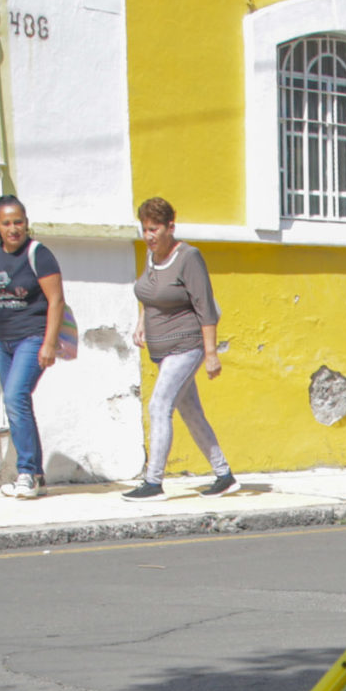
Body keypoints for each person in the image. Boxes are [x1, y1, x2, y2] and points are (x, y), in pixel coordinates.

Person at [124, 196, 236, 501]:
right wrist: (141, 323)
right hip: (162, 349)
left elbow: (205, 307)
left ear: (170, 227)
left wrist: (211, 354)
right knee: (191, 412)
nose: (149, 236)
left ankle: (153, 482)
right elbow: (152, 294)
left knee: (159, 406)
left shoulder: (189, 257)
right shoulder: (152, 257)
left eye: (155, 229)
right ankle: (224, 475)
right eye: (145, 229)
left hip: (187, 347)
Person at [0, 195, 65, 500]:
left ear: (26, 223)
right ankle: (37, 477)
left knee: (15, 397)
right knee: (17, 402)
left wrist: (49, 342)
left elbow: (56, 300)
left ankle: (27, 471)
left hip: (31, 337)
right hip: (0, 340)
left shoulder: (38, 254)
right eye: (6, 223)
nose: (13, 228)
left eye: (18, 221)